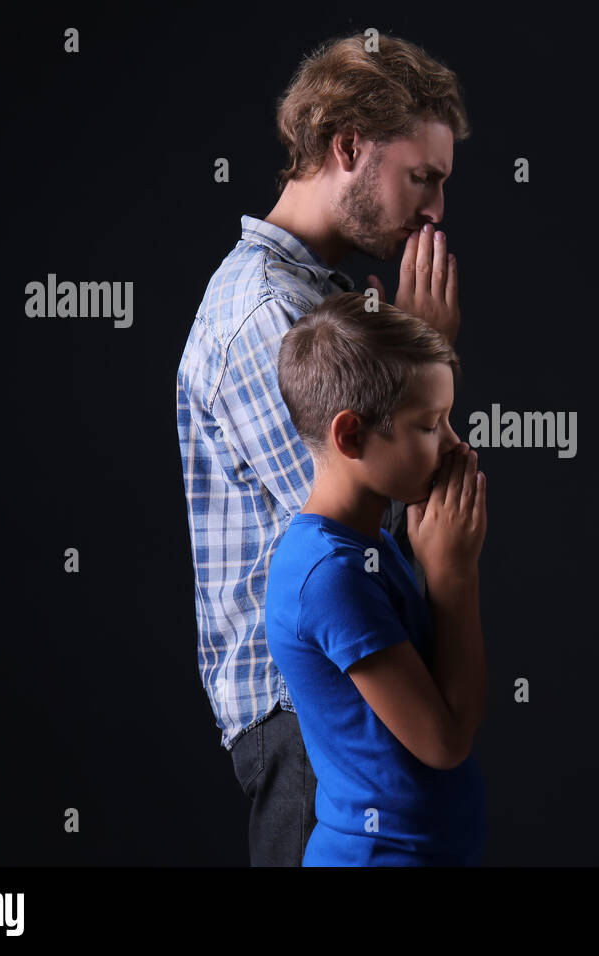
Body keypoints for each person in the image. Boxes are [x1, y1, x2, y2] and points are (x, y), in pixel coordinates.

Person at [175, 32, 468, 865]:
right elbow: (372, 513)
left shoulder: (326, 299)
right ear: (348, 148)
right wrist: (426, 352)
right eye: (424, 178)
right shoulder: (264, 315)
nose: (435, 210)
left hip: (349, 696)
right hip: (307, 718)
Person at [266, 291, 487, 865]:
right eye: (429, 425)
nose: (455, 444)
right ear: (350, 436)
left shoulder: (372, 544)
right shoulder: (328, 575)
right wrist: (454, 576)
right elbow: (444, 742)